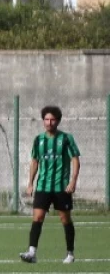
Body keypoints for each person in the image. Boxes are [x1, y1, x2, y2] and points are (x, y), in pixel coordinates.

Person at [21, 105, 81, 264]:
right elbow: (35, 162)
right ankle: (32, 252)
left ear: (58, 121)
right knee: (38, 217)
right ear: (43, 121)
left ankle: (70, 253)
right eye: (46, 119)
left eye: (52, 119)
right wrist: (30, 183)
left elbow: (75, 160)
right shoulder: (38, 140)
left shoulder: (66, 139)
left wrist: (73, 181)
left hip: (61, 187)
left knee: (65, 219)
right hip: (43, 186)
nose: (49, 122)